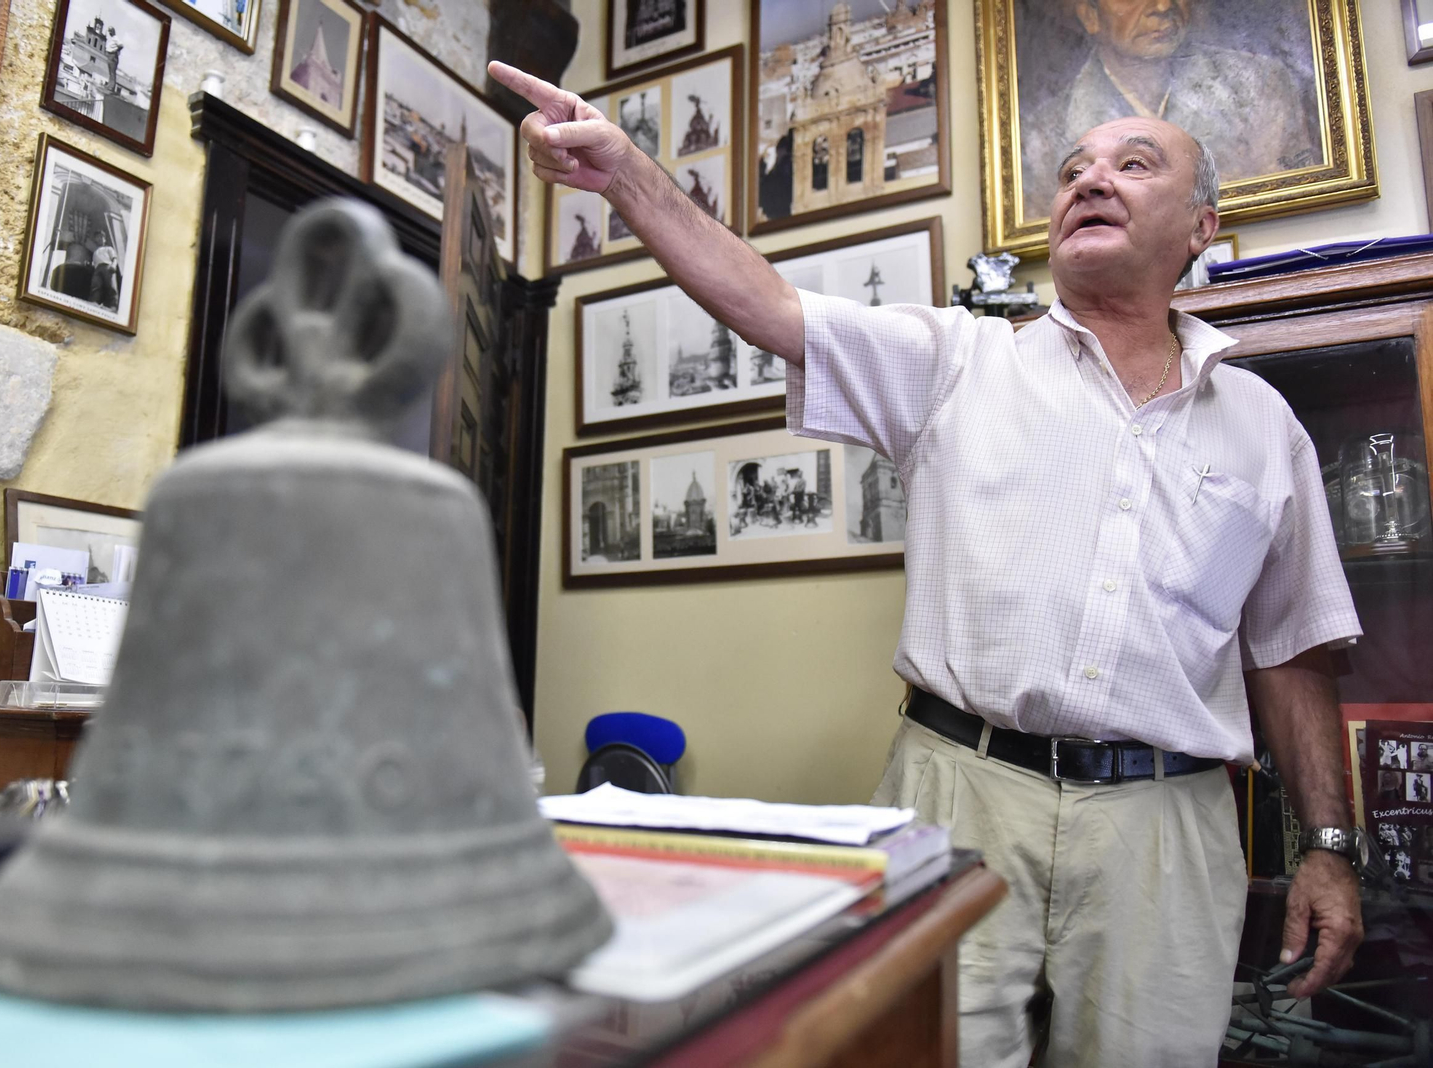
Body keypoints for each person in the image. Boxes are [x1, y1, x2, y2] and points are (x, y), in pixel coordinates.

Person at [490, 57, 1366, 1068]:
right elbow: (772, 307)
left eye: (1133, 164)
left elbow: (1292, 652)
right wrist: (628, 176)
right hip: (958, 792)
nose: (1089, 179)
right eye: (1073, 170)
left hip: (1165, 828)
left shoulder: (1262, 426)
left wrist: (1328, 849)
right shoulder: (958, 360)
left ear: (1201, 227)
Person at [1020, 0, 1320, 210]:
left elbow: (1292, 196)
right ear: (1090, 15)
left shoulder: (1259, 85)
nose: (1163, 6)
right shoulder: (1043, 135)